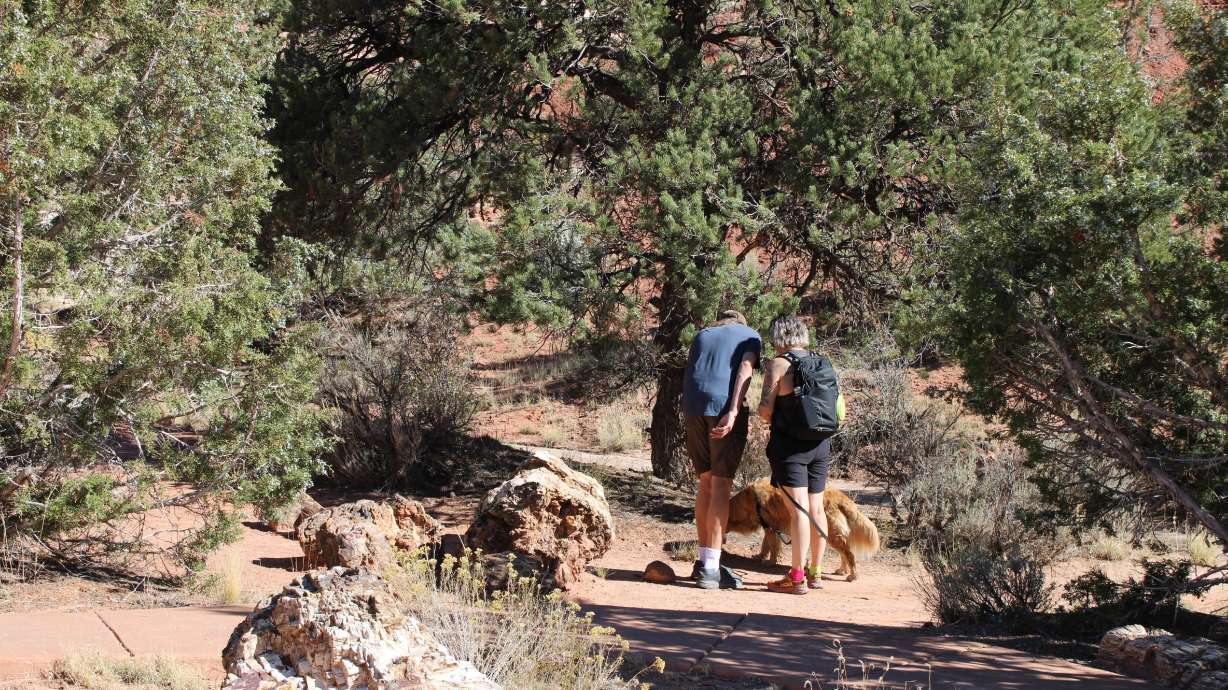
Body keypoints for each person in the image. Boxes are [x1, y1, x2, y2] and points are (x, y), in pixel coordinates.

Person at [756, 315, 837, 594]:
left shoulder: (779, 363)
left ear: (778, 337)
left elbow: (766, 411)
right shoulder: (822, 362)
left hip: (790, 446)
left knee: (798, 509)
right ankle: (815, 572)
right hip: (821, 444)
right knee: (816, 508)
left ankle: (796, 576)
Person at [682, 309, 761, 589]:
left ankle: (704, 561)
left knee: (705, 483)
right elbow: (745, 369)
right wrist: (734, 411)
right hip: (721, 407)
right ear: (741, 322)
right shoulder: (750, 335)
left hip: (692, 408)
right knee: (721, 485)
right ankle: (712, 569)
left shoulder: (702, 334)